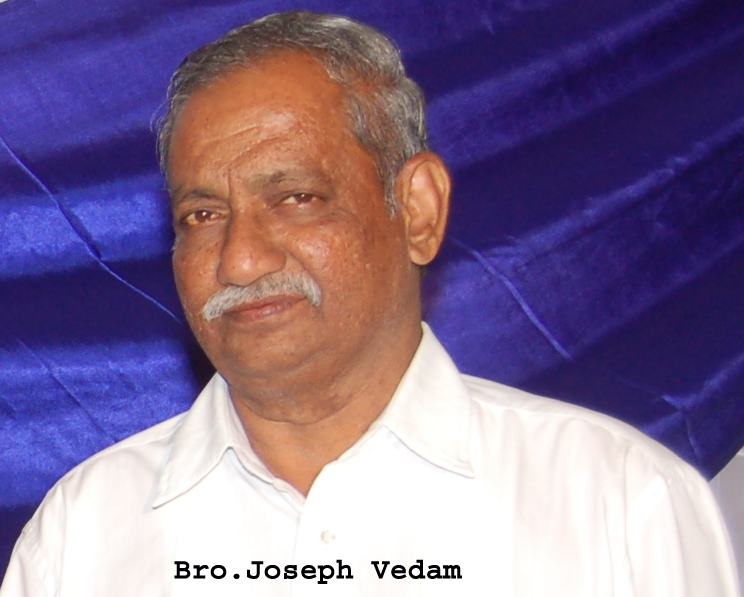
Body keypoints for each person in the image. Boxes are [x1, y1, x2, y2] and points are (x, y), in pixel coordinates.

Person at [0, 11, 738, 597]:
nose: (240, 258)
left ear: (417, 210)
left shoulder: (620, 504)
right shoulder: (83, 534)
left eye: (296, 198)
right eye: (202, 215)